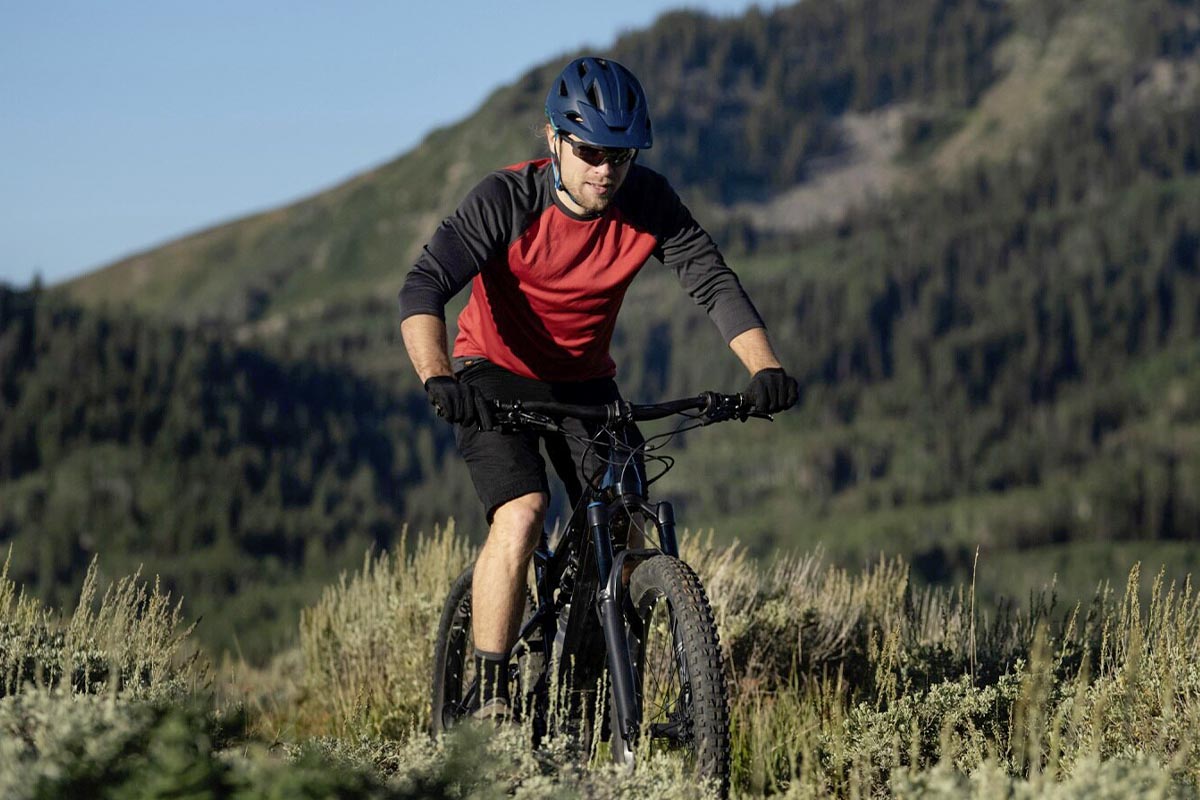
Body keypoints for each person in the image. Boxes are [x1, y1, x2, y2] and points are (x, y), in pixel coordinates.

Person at [399, 56, 797, 718]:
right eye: (589, 151)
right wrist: (438, 376)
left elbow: (712, 281)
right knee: (523, 511)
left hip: (585, 381)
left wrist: (765, 369)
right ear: (553, 139)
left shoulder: (647, 202)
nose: (606, 169)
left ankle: (590, 687)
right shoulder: (507, 200)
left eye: (620, 154)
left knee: (624, 516)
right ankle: (493, 700)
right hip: (492, 374)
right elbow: (424, 286)